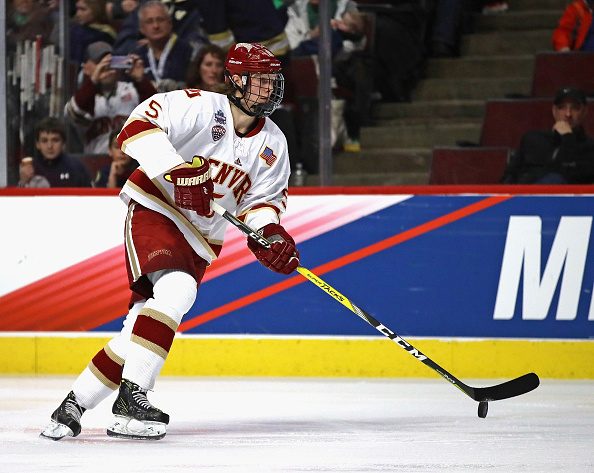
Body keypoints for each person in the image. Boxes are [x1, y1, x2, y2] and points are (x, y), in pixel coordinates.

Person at [40, 42, 299, 441]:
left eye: (271, 80)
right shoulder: (198, 105)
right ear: (235, 81)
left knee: (139, 331)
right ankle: (132, 401)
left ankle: (72, 405)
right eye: (259, 80)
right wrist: (177, 173)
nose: (269, 88)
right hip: (155, 208)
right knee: (178, 289)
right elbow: (137, 127)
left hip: (201, 239)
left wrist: (270, 234)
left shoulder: (274, 144)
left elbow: (261, 202)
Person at [65, 41, 158, 155]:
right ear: (86, 68)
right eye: (100, 63)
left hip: (133, 160)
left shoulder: (133, 91)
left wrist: (141, 80)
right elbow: (75, 113)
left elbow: (157, 115)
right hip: (96, 161)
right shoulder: (82, 97)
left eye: (111, 62)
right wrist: (93, 82)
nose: (107, 66)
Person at [500, 86, 594, 184]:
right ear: (554, 111)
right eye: (562, 107)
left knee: (554, 179)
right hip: (525, 195)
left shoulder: (590, 148)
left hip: (563, 197)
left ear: (584, 112)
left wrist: (568, 138)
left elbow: (570, 175)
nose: (568, 114)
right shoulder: (533, 138)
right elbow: (510, 176)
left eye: (575, 108)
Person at [131, 1, 195, 90]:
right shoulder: (136, 56)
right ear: (141, 28)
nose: (156, 26)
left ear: (170, 23)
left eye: (160, 20)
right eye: (149, 21)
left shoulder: (188, 51)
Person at [30, 117, 93, 187]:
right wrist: (23, 182)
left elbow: (90, 196)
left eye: (55, 140)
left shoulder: (76, 167)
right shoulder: (31, 168)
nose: (50, 146)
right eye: (44, 141)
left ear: (63, 144)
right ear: (37, 144)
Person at [69, 0, 117, 66]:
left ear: (96, 9)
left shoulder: (105, 35)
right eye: (77, 9)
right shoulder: (75, 30)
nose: (78, 14)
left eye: (83, 9)